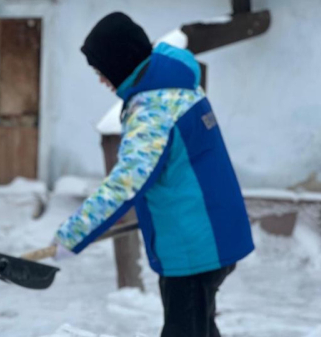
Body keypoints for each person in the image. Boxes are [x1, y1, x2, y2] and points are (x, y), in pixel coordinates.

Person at [51, 12, 254, 337]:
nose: (101, 80)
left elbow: (124, 185)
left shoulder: (154, 108)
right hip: (208, 234)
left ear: (119, 63)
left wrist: (72, 235)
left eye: (101, 71)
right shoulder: (175, 84)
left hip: (194, 246)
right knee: (199, 327)